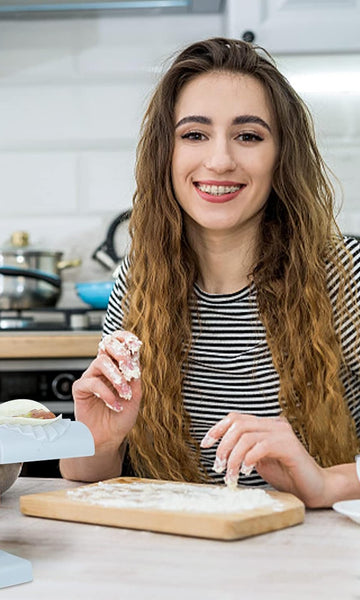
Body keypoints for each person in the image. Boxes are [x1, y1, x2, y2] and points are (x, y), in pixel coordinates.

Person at [60, 37, 360, 508]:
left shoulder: (345, 275)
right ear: (167, 154)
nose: (219, 160)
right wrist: (98, 440)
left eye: (248, 135)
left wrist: (326, 483)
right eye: (195, 134)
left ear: (281, 156)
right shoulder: (139, 280)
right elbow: (85, 476)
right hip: (178, 560)